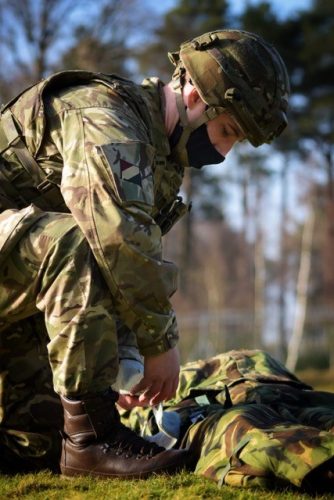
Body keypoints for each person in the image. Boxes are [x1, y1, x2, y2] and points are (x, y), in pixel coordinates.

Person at [0, 29, 289, 477]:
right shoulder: (104, 117)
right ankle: (91, 441)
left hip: (14, 286)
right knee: (70, 241)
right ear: (195, 96)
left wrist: (128, 365)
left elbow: (121, 272)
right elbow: (117, 241)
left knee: (32, 450)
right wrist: (161, 344)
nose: (225, 151)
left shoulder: (159, 158)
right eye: (228, 130)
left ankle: (59, 438)